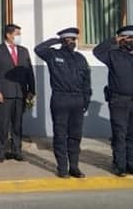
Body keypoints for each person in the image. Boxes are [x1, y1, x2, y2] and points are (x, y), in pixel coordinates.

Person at [93, 24, 133, 178]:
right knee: (120, 134)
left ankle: (132, 165)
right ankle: (119, 166)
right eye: (127, 38)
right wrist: (114, 40)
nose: (131, 40)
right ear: (121, 39)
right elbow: (97, 51)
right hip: (119, 102)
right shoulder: (113, 55)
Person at [35, 28, 92, 179]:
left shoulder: (80, 58)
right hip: (60, 99)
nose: (72, 42)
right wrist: (56, 41)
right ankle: (62, 168)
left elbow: (87, 81)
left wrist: (86, 100)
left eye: (74, 40)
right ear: (63, 41)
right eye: (68, 40)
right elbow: (38, 49)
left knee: (75, 136)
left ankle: (74, 167)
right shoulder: (53, 55)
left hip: (77, 100)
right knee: (60, 135)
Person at [0, 24, 35, 162]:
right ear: (8, 35)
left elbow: (29, 72)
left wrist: (31, 90)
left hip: (20, 93)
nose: (19, 37)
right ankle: (0, 152)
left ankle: (16, 150)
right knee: (3, 124)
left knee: (17, 124)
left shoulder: (24, 51)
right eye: (17, 34)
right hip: (4, 94)